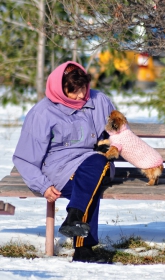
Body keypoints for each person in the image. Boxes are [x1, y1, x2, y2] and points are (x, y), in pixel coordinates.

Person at [13, 61, 115, 263]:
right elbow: (24, 158)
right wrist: (43, 186)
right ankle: (82, 247)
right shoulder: (42, 113)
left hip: (96, 164)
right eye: (73, 91)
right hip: (59, 171)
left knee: (94, 166)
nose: (80, 96)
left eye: (83, 89)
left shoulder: (100, 100)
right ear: (60, 89)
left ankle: (74, 217)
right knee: (89, 185)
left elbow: (120, 133)